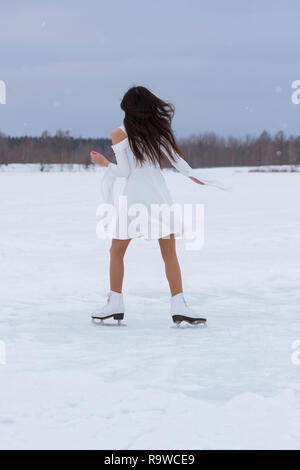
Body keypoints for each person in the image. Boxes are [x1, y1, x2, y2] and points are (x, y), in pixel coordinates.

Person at [90, 86, 218, 326]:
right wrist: (197, 178)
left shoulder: (119, 133)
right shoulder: (158, 131)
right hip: (159, 197)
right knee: (169, 254)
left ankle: (115, 302)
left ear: (127, 109)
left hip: (134, 200)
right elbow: (178, 163)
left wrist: (105, 163)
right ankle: (179, 305)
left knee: (116, 252)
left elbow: (125, 171)